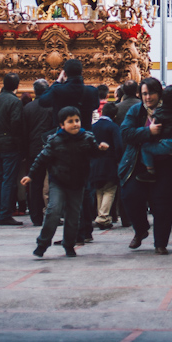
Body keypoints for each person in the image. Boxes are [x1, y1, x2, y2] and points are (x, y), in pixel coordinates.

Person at [21, 106, 109, 258]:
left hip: (78, 182)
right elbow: (42, 159)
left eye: (77, 120)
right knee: (53, 211)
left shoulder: (87, 138)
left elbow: (94, 153)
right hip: (58, 182)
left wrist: (101, 149)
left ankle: (69, 244)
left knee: (74, 216)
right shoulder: (55, 140)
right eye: (70, 122)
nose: (75, 124)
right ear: (62, 125)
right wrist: (31, 175)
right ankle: (43, 243)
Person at [119, 77, 172, 255]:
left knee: (163, 204)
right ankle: (141, 229)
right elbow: (125, 133)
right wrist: (147, 132)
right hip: (138, 162)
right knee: (130, 196)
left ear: (159, 93)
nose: (148, 97)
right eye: (144, 93)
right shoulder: (136, 110)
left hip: (165, 163)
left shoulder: (169, 109)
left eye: (151, 93)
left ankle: (160, 242)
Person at [0, 72, 25, 225]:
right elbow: (16, 124)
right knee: (8, 180)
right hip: (10, 143)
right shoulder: (14, 102)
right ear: (16, 86)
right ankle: (5, 214)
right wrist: (19, 145)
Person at [23, 79, 56, 225]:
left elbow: (23, 131)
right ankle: (53, 213)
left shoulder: (28, 108)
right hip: (51, 148)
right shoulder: (52, 107)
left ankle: (36, 216)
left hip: (33, 148)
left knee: (35, 184)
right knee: (54, 182)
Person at [37, 58, 100, 131]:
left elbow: (42, 101)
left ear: (65, 74)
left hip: (63, 134)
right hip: (84, 134)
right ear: (81, 73)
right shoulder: (92, 91)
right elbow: (96, 105)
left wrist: (57, 82)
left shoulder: (58, 90)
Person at [137, 85, 172, 180]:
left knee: (145, 148)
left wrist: (151, 132)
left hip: (167, 141)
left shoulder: (160, 112)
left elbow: (156, 129)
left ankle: (150, 171)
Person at [90, 102, 123, 229]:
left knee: (99, 190)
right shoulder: (113, 127)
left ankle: (101, 215)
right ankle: (103, 217)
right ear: (114, 115)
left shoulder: (93, 126)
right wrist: (118, 159)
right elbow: (119, 145)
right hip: (109, 163)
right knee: (110, 190)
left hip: (95, 163)